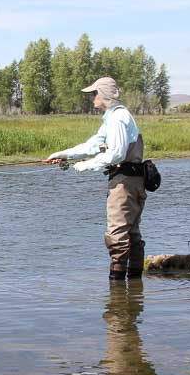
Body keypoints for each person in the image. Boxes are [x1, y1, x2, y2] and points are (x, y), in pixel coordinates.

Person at [45, 77, 147, 279]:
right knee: (131, 235)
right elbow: (93, 145)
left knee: (117, 237)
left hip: (124, 184)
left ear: (103, 95)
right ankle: (134, 292)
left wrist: (86, 165)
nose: (92, 98)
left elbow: (117, 153)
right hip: (131, 181)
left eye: (94, 94)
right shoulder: (113, 117)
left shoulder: (118, 118)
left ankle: (118, 299)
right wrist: (63, 154)